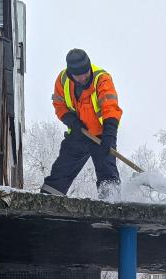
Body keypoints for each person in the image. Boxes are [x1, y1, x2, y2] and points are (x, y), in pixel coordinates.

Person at [40, 49, 123, 197]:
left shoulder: (102, 79)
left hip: (101, 135)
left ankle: (112, 205)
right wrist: (72, 122)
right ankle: (47, 200)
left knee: (107, 174)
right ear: (71, 74)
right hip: (79, 132)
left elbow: (110, 109)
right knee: (62, 170)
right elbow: (59, 105)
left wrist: (109, 136)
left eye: (85, 73)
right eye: (78, 76)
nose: (83, 78)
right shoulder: (62, 80)